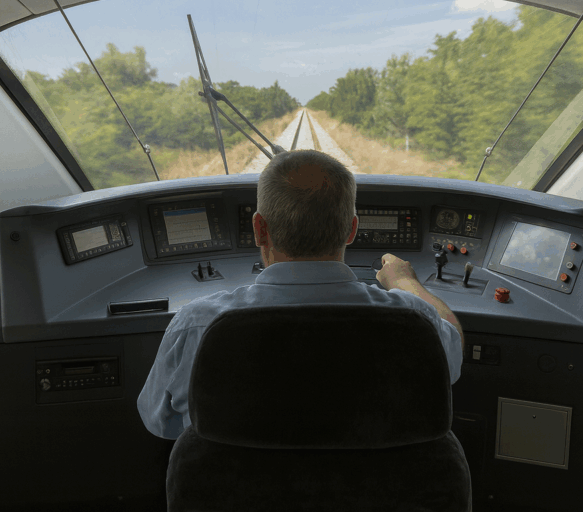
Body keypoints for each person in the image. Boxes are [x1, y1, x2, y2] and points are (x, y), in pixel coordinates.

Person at [137, 149, 464, 439]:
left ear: (259, 229)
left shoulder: (199, 322)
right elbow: (454, 353)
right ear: (351, 229)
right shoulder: (413, 319)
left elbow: (160, 423)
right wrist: (405, 282)